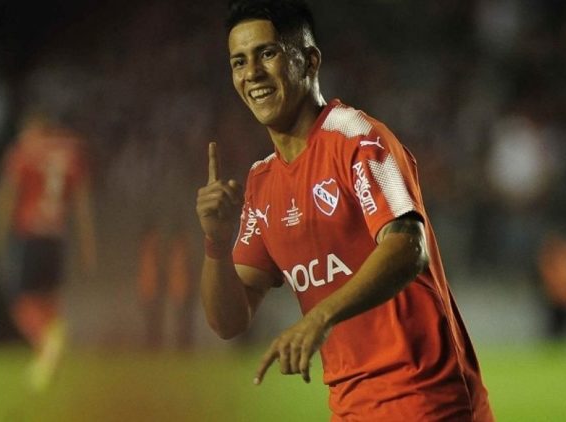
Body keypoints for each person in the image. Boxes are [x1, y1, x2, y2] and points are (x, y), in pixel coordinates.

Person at [195, 0, 494, 420]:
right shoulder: (262, 183)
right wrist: (215, 242)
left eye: (267, 53)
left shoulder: (357, 138)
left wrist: (320, 317)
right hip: (350, 408)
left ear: (310, 60)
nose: (252, 73)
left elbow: (408, 246)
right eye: (238, 62)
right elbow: (229, 321)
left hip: (424, 399)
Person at [0, 112, 96, 391]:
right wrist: (87, 245)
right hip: (56, 238)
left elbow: (7, 196)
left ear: (32, 129)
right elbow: (82, 204)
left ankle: (48, 343)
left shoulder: (24, 151)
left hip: (31, 235)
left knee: (21, 301)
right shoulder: (69, 153)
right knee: (49, 301)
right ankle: (46, 363)